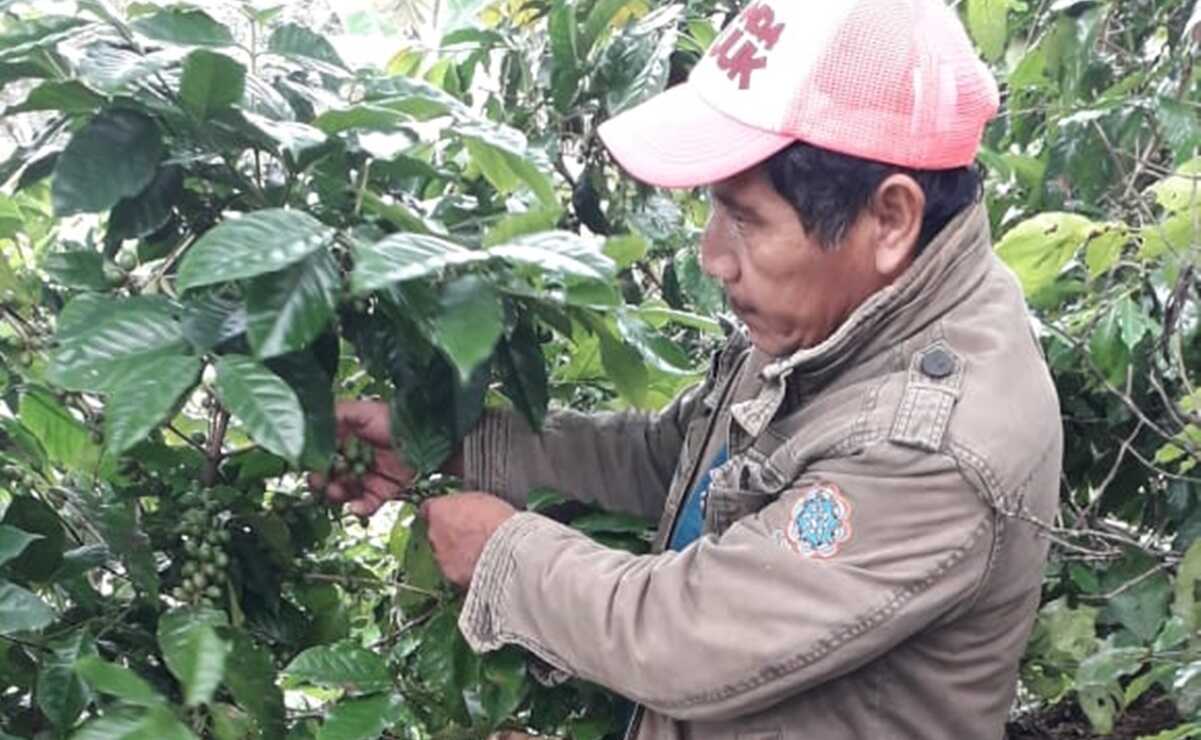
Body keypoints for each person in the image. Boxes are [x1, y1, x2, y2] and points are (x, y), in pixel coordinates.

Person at [312, 0, 1063, 737]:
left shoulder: (932, 442)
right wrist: (450, 442)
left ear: (890, 219)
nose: (712, 256)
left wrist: (505, 557)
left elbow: (693, 636)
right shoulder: (836, 321)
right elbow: (671, 457)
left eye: (745, 217)